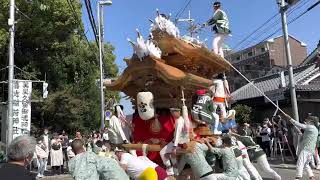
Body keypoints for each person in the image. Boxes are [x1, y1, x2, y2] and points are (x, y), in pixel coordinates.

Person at [283, 114, 319, 180]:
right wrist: (301, 134)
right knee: (306, 164)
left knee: (300, 162)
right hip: (310, 149)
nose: (306, 120)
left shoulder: (311, 127)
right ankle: (311, 176)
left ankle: (298, 177)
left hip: (306, 148)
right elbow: (307, 137)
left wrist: (290, 118)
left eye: (307, 119)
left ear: (311, 121)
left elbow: (299, 125)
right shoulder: (315, 129)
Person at [160, 107, 189, 176]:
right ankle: (176, 171)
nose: (172, 114)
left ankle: (170, 169)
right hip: (181, 142)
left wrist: (174, 146)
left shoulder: (179, 121)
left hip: (178, 143)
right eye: (171, 112)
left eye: (173, 112)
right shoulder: (181, 119)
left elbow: (177, 134)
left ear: (178, 112)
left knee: (162, 153)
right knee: (172, 156)